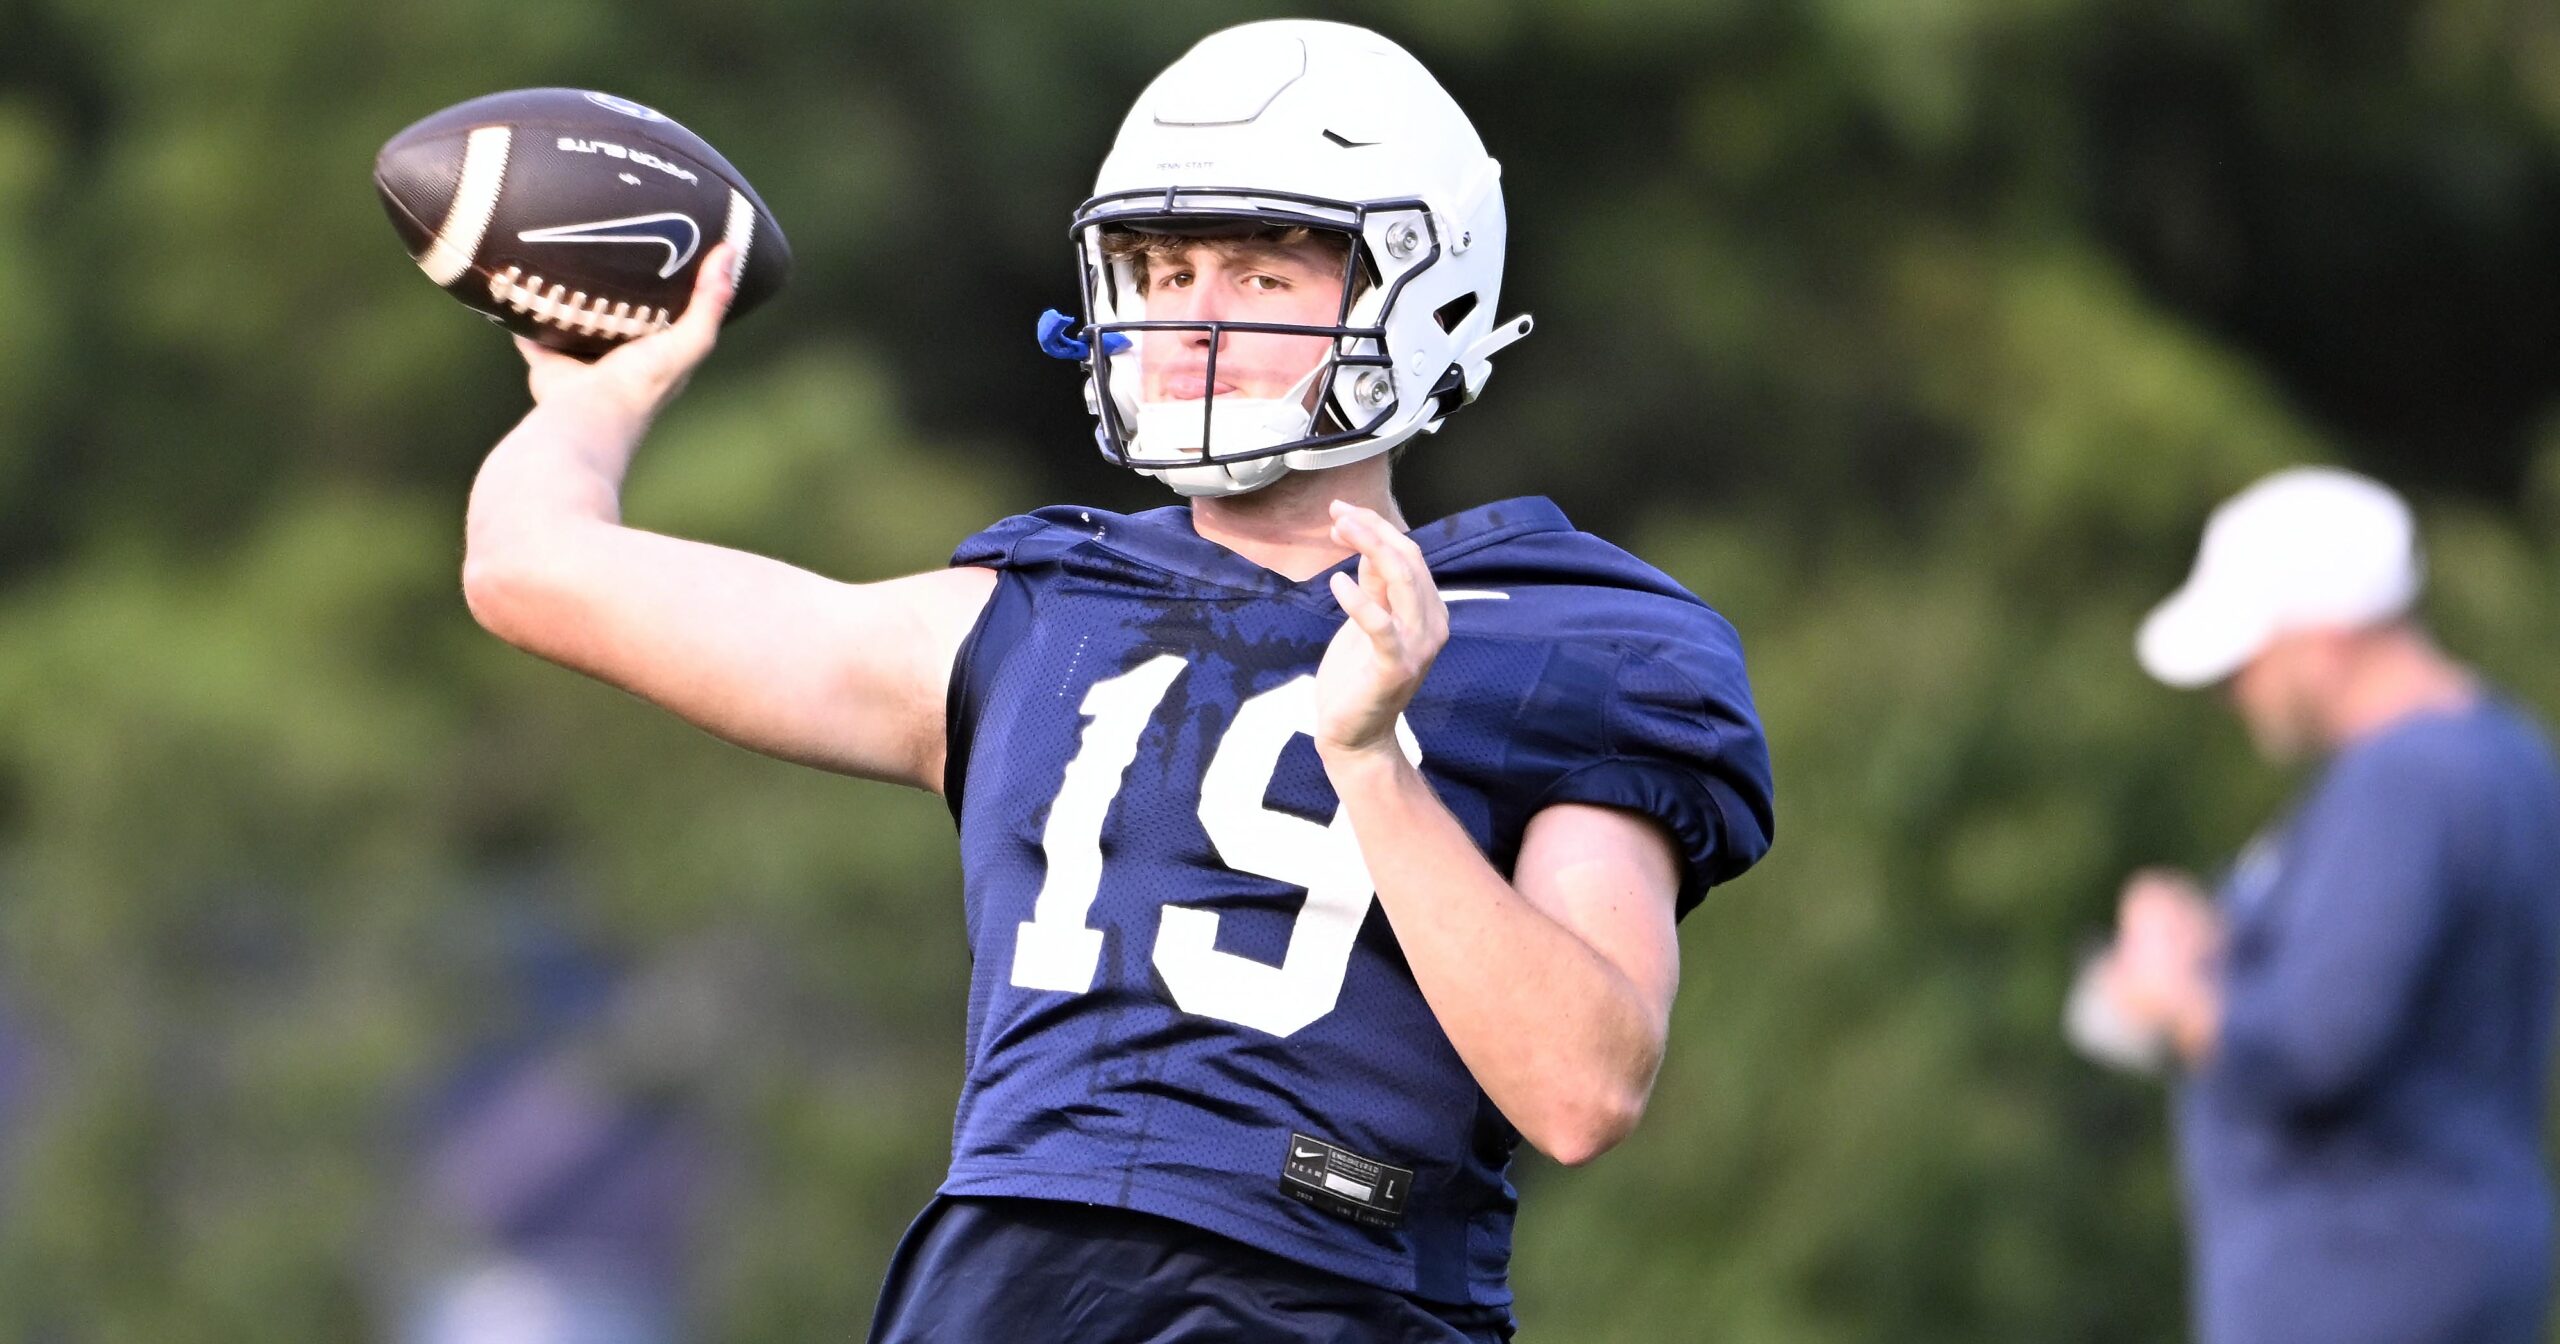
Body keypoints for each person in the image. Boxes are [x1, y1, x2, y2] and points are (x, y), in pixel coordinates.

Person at [460, 20, 1774, 1341]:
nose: (1193, 318)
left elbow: (1579, 1088)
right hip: (1002, 1289)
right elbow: (532, 568)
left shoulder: (1562, 636)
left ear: (1419, 293)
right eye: (1161, 269)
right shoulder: (1035, 618)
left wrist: (1371, 759)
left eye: (1262, 277)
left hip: (1326, 1286)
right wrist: (593, 401)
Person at [2086, 466, 2560, 1344]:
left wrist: (2173, 991)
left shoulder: (2400, 782)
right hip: (2468, 1254)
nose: (2234, 690)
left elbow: (2314, 1044)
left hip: (2359, 1279)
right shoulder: (2510, 753)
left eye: (2248, 658)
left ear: (2327, 636)